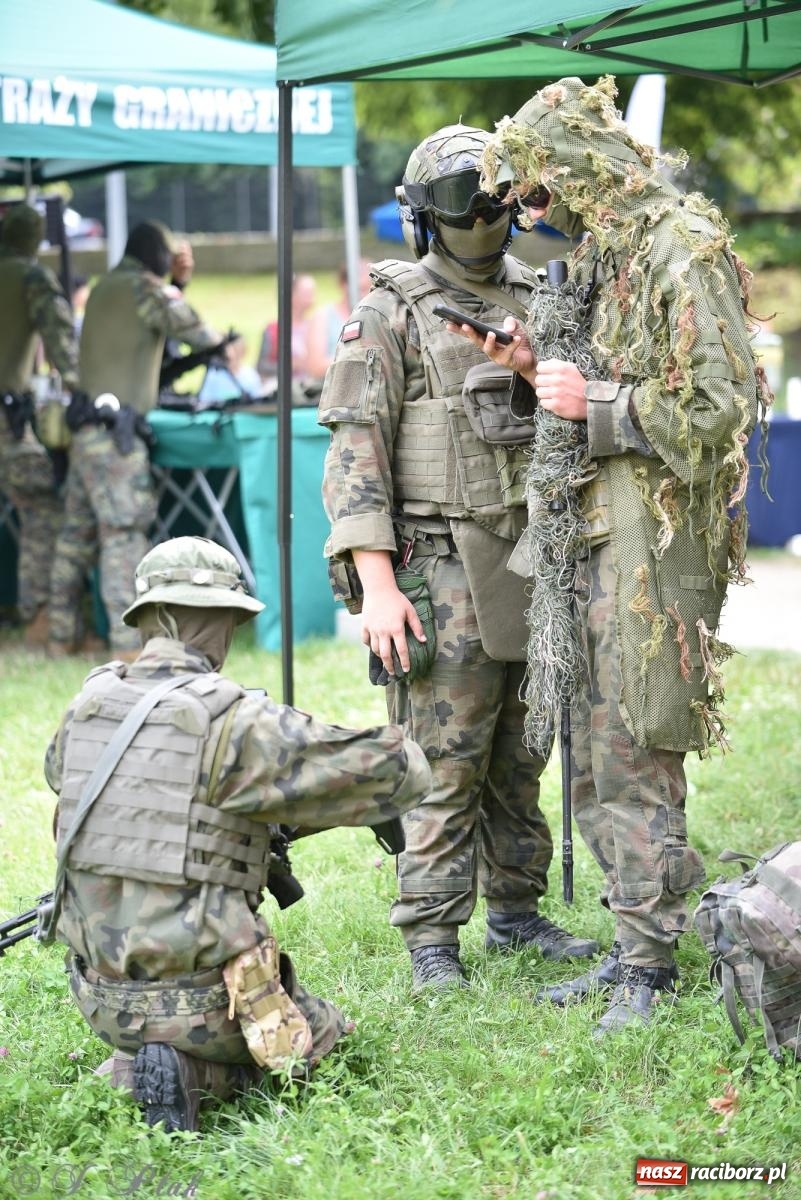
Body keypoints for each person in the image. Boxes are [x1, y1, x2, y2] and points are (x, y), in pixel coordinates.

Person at [457, 76, 768, 1034]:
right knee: (590, 752)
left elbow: (718, 411)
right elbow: (594, 375)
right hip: (594, 531)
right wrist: (530, 368)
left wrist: (587, 406)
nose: (530, 213)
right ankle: (633, 945)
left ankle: (648, 966)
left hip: (653, 541)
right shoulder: (613, 252)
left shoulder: (680, 248)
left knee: (635, 745)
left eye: (538, 191)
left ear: (582, 168)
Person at [319, 124, 598, 993]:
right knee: (442, 760)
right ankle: (433, 939)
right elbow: (355, 452)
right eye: (456, 202)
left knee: (523, 749)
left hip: (529, 557)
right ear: (421, 216)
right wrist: (374, 588)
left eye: (493, 197)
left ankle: (515, 913)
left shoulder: (538, 297)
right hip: (438, 567)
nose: (479, 216)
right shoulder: (391, 310)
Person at [43, 536, 431, 1133]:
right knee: (325, 1040)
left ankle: (132, 1064)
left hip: (96, 996)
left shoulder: (87, 704)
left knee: (154, 1027)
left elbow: (69, 778)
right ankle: (196, 1074)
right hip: (205, 1003)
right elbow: (404, 773)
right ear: (225, 622)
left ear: (146, 619)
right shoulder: (239, 718)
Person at [47, 221, 221, 661]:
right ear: (157, 257)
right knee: (123, 536)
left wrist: (175, 282)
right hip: (115, 437)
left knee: (75, 537)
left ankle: (57, 637)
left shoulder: (108, 285)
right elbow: (198, 333)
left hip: (85, 430)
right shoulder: (146, 289)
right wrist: (181, 288)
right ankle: (129, 648)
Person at [0, 203, 78, 647]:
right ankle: (39, 616)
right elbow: (60, 338)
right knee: (42, 506)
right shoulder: (30, 277)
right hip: (6, 419)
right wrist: (79, 387)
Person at [305, 259, 373, 380]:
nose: (367, 295)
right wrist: (360, 356)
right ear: (343, 285)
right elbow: (315, 367)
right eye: (361, 288)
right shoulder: (323, 317)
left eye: (371, 289)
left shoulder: (375, 317)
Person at [256, 273, 317, 383]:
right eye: (306, 293)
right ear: (292, 295)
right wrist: (291, 365)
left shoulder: (315, 326)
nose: (311, 297)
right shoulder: (273, 329)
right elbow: (261, 367)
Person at [197, 335, 262, 406]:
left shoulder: (250, 376)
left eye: (236, 352)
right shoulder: (214, 374)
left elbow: (257, 404)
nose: (231, 356)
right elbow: (204, 401)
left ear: (242, 353)